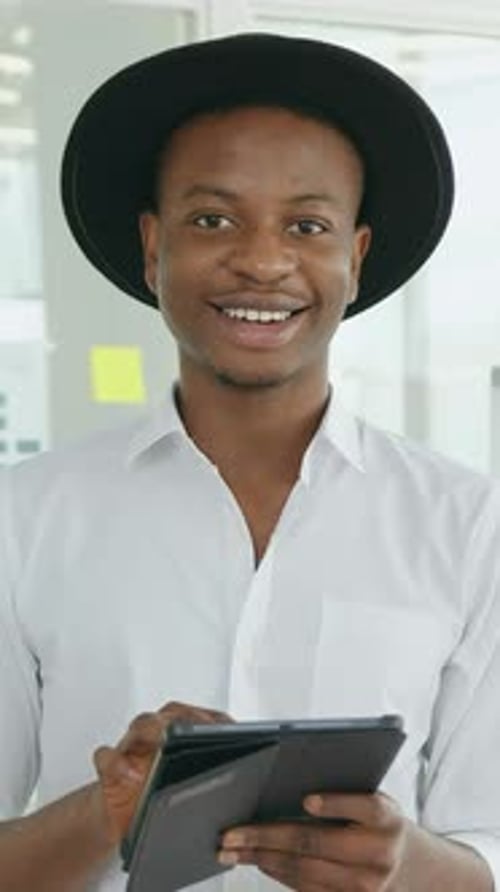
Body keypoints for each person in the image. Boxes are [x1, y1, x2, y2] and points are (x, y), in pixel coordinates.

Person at [0, 31, 499, 892]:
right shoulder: (24, 518)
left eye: (307, 225)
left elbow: (488, 849)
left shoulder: (468, 524)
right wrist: (103, 810)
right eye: (212, 219)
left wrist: (403, 862)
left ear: (357, 256)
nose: (263, 260)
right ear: (154, 249)